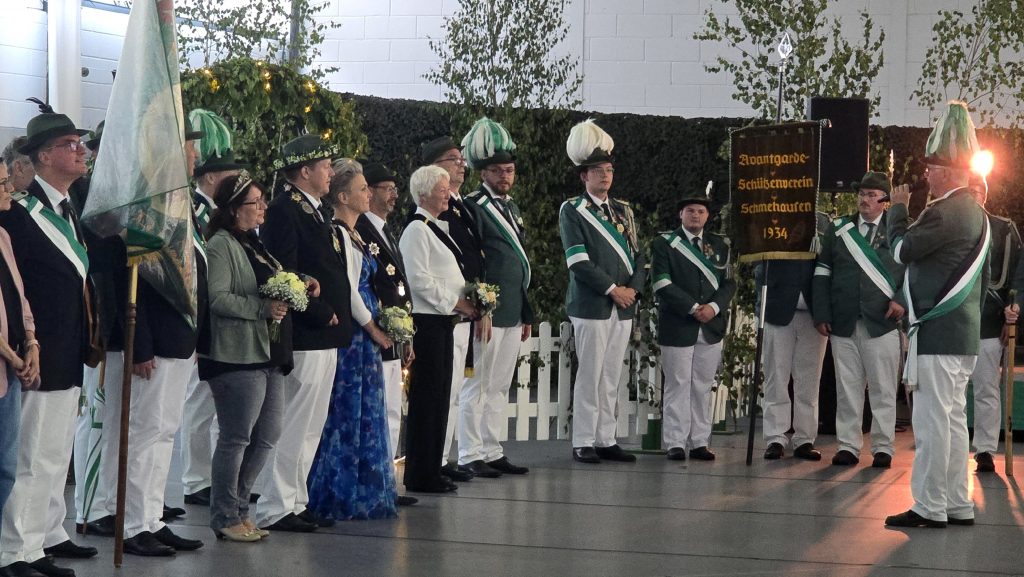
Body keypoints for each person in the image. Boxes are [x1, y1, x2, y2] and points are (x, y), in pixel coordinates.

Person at [0, 112, 98, 577]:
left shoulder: (67, 209)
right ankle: (13, 549)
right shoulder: (21, 213)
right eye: (69, 144)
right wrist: (26, 344)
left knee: (56, 453)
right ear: (43, 155)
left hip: (67, 347)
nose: (80, 151)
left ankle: (41, 539)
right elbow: (13, 287)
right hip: (36, 351)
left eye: (80, 143)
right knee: (31, 455)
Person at [885, 101, 990, 529]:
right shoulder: (978, 213)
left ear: (947, 172)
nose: (926, 174)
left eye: (931, 168)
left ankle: (930, 506)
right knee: (953, 422)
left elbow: (900, 250)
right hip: (961, 335)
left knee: (931, 425)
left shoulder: (945, 210)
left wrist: (897, 210)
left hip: (937, 333)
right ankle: (956, 502)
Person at [254, 135, 352, 533]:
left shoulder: (314, 209)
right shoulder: (284, 210)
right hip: (306, 334)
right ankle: (275, 505)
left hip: (325, 336)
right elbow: (283, 271)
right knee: (293, 422)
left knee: (311, 425)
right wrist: (320, 312)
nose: (331, 172)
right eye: (326, 166)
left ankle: (296, 498)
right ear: (305, 170)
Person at [202, 172, 293, 542]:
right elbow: (218, 298)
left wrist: (298, 282)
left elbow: (270, 279)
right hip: (236, 354)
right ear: (235, 209)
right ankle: (225, 515)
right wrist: (262, 308)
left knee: (267, 434)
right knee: (237, 437)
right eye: (256, 202)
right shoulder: (221, 245)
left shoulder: (254, 243)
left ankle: (240, 508)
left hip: (267, 351)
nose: (263, 207)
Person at [307, 158, 399, 520]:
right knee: (349, 411)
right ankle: (341, 491)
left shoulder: (357, 234)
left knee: (365, 410)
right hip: (356, 336)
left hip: (364, 334)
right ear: (343, 197)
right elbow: (348, 288)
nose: (368, 194)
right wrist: (372, 326)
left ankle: (364, 488)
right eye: (362, 189)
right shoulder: (341, 234)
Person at [559, 119, 645, 464]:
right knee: (590, 374)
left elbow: (639, 257)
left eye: (608, 170)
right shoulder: (572, 210)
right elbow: (578, 261)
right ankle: (583, 440)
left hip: (623, 305)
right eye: (597, 171)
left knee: (612, 375)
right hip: (592, 303)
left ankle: (605, 438)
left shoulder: (624, 210)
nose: (605, 176)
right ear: (584, 176)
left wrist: (632, 291)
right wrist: (613, 290)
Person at [813, 172, 906, 468]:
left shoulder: (898, 230)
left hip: (882, 322)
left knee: (883, 389)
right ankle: (848, 446)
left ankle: (883, 447)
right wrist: (822, 313)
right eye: (862, 194)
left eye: (871, 195)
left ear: (885, 201)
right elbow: (823, 271)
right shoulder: (839, 229)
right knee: (847, 388)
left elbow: (913, 272)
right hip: (843, 321)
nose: (864, 200)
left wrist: (901, 300)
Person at [458, 118, 532, 478]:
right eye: (498, 170)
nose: (505, 175)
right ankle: (469, 452)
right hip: (487, 311)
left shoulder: (512, 208)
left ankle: (491, 448)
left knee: (500, 385)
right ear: (483, 172)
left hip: (513, 308)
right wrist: (481, 307)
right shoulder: (474, 206)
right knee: (478, 385)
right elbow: (473, 260)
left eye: (509, 170)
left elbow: (521, 263)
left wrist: (526, 311)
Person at [399, 165, 479, 493]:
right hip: (428, 322)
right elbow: (418, 280)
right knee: (427, 399)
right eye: (441, 190)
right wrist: (456, 302)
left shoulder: (434, 227)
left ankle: (432, 467)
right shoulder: (416, 230)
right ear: (423, 195)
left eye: (447, 189)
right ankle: (420, 473)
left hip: (443, 321)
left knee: (440, 397)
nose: (447, 195)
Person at [181, 109, 244, 508]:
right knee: (198, 400)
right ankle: (194, 478)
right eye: (228, 174)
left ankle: (211, 476)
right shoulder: (195, 209)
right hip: (200, 316)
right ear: (208, 178)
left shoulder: (219, 213)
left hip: (221, 319)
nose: (236, 180)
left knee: (216, 401)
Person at [651, 192, 734, 462]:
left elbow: (729, 283)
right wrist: (693, 307)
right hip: (678, 323)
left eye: (700, 211)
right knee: (678, 384)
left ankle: (699, 441)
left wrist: (714, 308)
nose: (695, 215)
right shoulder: (665, 244)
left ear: (707, 216)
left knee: (702, 385)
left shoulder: (720, 245)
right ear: (681, 214)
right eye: (690, 211)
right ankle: (675, 442)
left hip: (711, 324)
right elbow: (661, 283)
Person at [424, 137, 482, 483]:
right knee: (444, 390)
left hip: (464, 308)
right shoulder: (432, 214)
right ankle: (437, 459)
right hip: (446, 310)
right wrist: (461, 301)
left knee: (456, 388)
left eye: (462, 159)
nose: (461, 164)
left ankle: (444, 456)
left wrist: (480, 301)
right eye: (452, 159)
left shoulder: (462, 206)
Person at [354, 163, 411, 464]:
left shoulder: (385, 230)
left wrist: (406, 332)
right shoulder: (361, 229)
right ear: (370, 191)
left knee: (392, 406)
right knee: (379, 406)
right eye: (387, 189)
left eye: (395, 189)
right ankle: (378, 468)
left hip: (393, 331)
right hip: (375, 330)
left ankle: (387, 470)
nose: (393, 195)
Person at [964, 174, 1020, 473]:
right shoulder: (948, 226)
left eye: (976, 192)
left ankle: (985, 449)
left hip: (988, 320)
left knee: (986, 389)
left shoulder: (1003, 229)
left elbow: (1017, 275)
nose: (972, 197)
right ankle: (953, 446)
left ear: (984, 195)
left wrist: (1014, 308)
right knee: (952, 392)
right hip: (954, 323)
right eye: (967, 191)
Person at [0, 160, 39, 561]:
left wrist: (32, 342)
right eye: (2, 184)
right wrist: (12, 354)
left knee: (7, 467)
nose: (9, 189)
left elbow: (20, 296)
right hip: (6, 363)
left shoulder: (3, 236)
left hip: (10, 372)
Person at [756, 255, 827, 461]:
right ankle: (775, 438)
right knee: (775, 378)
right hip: (777, 308)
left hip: (813, 313)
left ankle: (805, 439)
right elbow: (758, 264)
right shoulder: (774, 231)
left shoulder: (822, 231)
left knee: (809, 380)